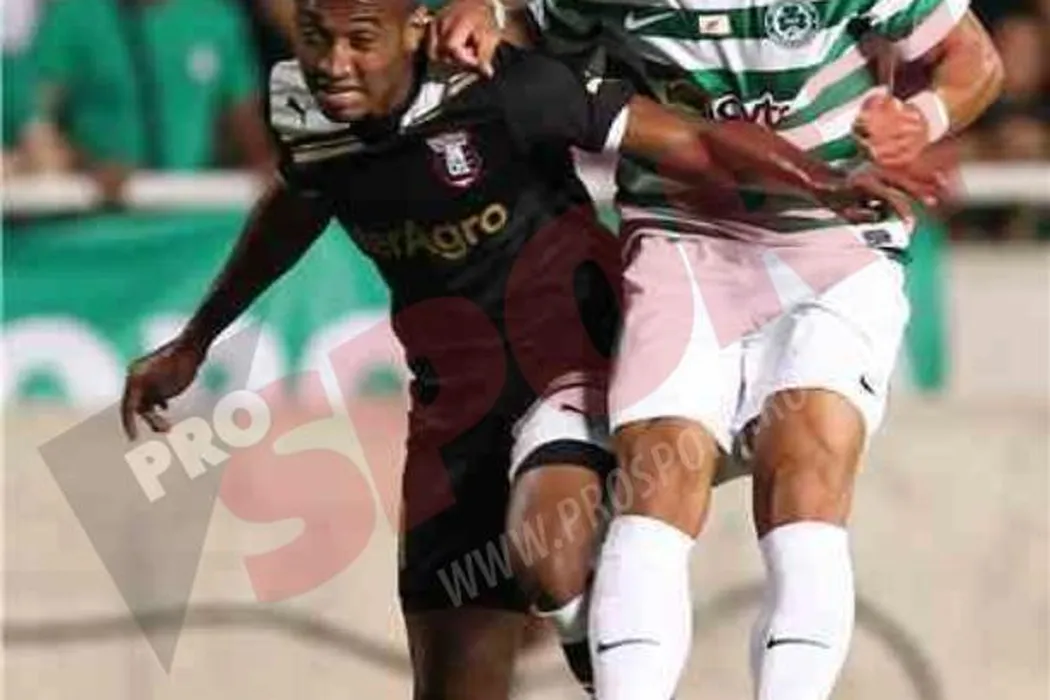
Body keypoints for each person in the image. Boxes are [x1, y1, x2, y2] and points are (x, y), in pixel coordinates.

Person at [119, 1, 908, 698]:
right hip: (451, 412)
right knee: (456, 679)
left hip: (564, 366)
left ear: (414, 29)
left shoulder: (501, 85)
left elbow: (694, 142)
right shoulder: (306, 109)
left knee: (549, 556)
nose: (334, 62)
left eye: (360, 39)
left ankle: (617, 630)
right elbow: (297, 203)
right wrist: (197, 338)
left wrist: (820, 185)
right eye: (315, 37)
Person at [430, 1, 1003, 698]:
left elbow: (974, 59)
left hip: (836, 235)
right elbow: (535, 41)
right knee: (657, 476)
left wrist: (923, 118)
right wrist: (487, 13)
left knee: (806, 463)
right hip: (682, 234)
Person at [29, 0, 274, 199]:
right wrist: (88, 166)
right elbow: (37, 122)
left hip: (193, 218)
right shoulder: (73, 16)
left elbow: (242, 117)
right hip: (102, 217)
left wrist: (266, 165)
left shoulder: (216, 17)